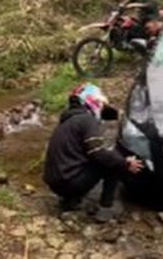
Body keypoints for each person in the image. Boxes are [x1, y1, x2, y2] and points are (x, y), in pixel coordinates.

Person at [43, 83, 143, 223]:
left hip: (54, 183)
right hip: (70, 182)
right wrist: (125, 162)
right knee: (113, 161)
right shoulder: (86, 120)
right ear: (92, 100)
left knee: (105, 158)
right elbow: (99, 152)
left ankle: (70, 201)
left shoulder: (67, 122)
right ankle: (105, 209)